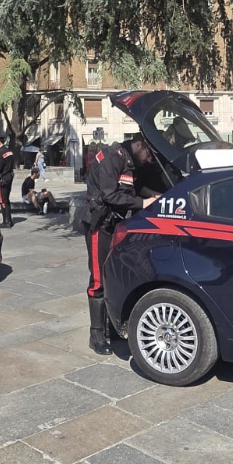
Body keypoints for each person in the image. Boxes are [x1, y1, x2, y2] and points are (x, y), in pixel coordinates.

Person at [84, 134, 160, 355]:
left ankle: (112, 327)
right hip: (99, 224)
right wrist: (143, 202)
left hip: (116, 224)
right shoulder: (111, 157)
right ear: (137, 144)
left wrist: (157, 196)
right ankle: (96, 334)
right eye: (147, 152)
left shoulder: (129, 161)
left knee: (114, 276)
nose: (147, 158)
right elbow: (109, 195)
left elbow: (135, 188)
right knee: (98, 278)